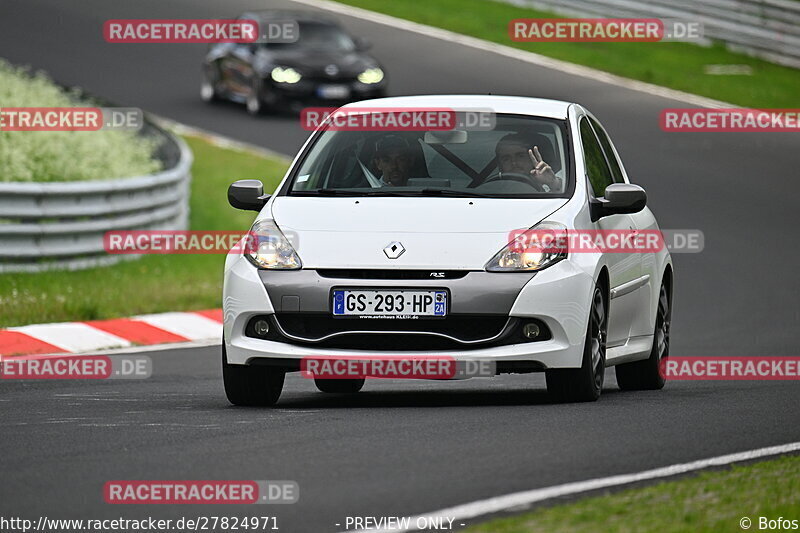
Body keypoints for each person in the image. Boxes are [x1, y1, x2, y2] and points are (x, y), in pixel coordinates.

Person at [494, 133, 564, 192]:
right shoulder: (491, 189)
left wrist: (553, 183)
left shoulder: (547, 187)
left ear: (532, 159)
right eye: (506, 159)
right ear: (500, 165)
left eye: (520, 156)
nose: (514, 163)